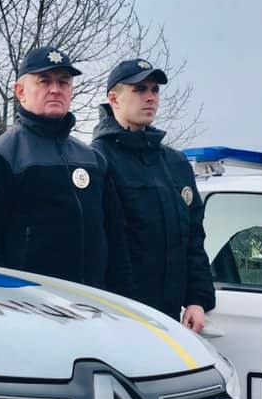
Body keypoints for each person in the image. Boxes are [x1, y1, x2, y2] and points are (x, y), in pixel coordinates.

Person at [0, 45, 131, 294]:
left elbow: (115, 240)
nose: (55, 89)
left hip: (92, 304)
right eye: (44, 81)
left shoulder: (93, 160)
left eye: (63, 82)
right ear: (20, 91)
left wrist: (121, 299)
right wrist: (0, 298)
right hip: (29, 306)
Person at [91, 59, 215, 330]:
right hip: (119, 317)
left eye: (155, 90)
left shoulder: (175, 162)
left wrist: (197, 299)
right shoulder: (96, 160)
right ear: (114, 99)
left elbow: (193, 237)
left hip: (170, 317)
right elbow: (95, 247)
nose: (150, 97)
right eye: (139, 89)